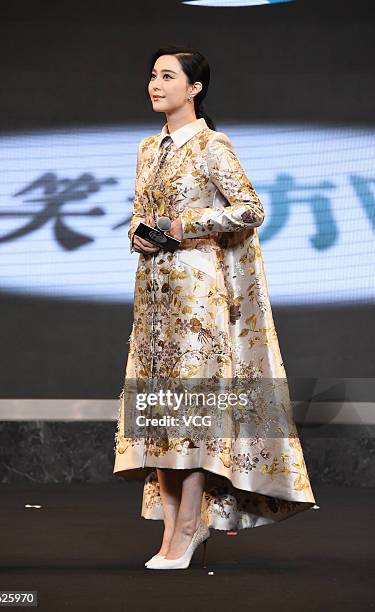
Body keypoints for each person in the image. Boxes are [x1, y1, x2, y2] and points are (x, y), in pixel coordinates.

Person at [113, 45, 316, 570]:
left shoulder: (211, 144)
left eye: (167, 76)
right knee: (158, 412)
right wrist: (140, 236)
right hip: (154, 297)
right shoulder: (145, 148)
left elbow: (251, 208)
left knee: (193, 414)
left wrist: (187, 225)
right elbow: (141, 211)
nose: (155, 85)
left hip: (199, 300)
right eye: (152, 76)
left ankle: (186, 530)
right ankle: (173, 531)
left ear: (194, 88)